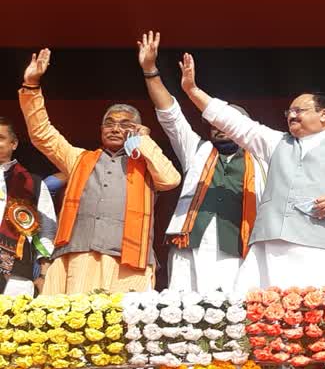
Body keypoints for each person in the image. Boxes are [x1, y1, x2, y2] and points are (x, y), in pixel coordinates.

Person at [178, 52, 325, 369]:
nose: (291, 114)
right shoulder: (276, 143)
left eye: (300, 109)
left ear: (324, 115)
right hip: (272, 248)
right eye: (289, 111)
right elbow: (234, 123)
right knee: (268, 317)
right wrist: (193, 91)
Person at [18, 48, 181, 295]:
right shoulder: (79, 159)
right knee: (72, 326)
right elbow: (42, 134)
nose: (115, 129)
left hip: (129, 260)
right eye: (109, 123)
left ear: (137, 128)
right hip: (77, 256)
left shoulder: (146, 164)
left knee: (124, 328)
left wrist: (144, 141)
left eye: (125, 125)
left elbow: (170, 180)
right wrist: (31, 86)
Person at [138, 31, 267, 294]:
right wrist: (150, 70)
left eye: (227, 123)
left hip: (240, 246)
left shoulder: (264, 158)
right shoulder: (197, 150)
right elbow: (170, 115)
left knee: (235, 313)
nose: (219, 128)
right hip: (190, 245)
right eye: (215, 124)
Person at [0, 116, 56, 295]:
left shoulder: (33, 184)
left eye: (0, 138)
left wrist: (44, 275)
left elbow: (47, 231)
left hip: (16, 278)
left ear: (14, 143)